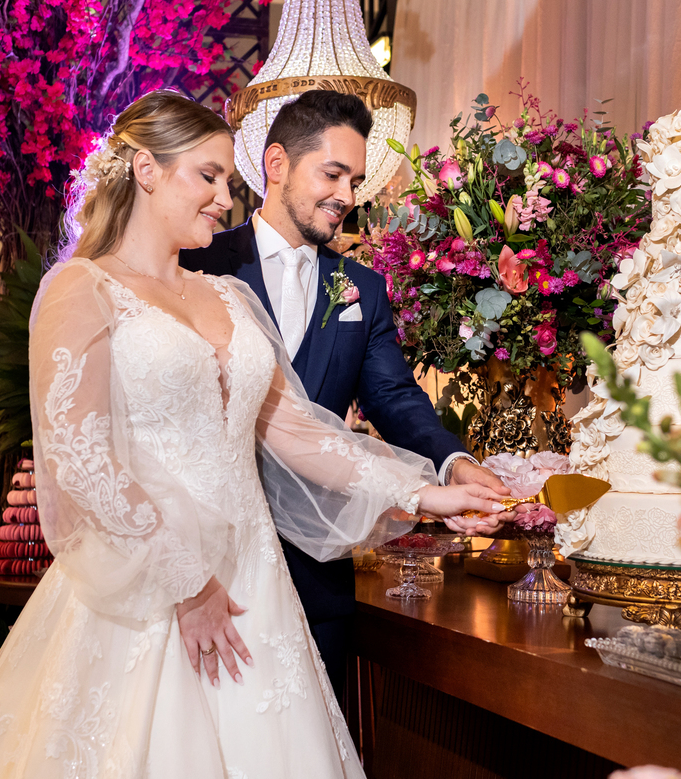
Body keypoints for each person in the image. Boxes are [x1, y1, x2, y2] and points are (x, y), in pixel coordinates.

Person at [0, 90, 506, 779]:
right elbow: (81, 458)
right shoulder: (78, 289)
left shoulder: (230, 299)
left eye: (227, 185)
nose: (221, 199)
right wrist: (186, 581)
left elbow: (296, 432)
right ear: (145, 169)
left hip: (254, 582)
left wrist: (424, 491)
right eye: (208, 177)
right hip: (149, 586)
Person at [180, 90, 515, 699]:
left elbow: (392, 395)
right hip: (210, 559)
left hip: (317, 574)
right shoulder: (197, 261)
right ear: (276, 165)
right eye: (332, 174)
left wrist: (452, 462)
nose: (348, 196)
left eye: (356, 180)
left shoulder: (361, 285)